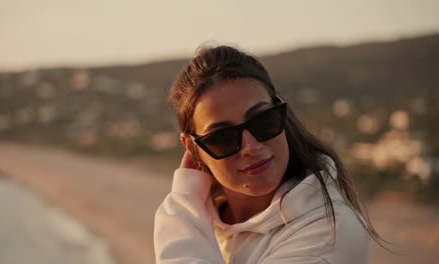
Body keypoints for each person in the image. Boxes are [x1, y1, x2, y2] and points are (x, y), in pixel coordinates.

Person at [154, 45, 383, 263]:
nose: (251, 146)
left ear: (280, 111)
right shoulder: (206, 222)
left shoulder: (329, 232)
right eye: (222, 137)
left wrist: (181, 207)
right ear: (191, 147)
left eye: (263, 120)